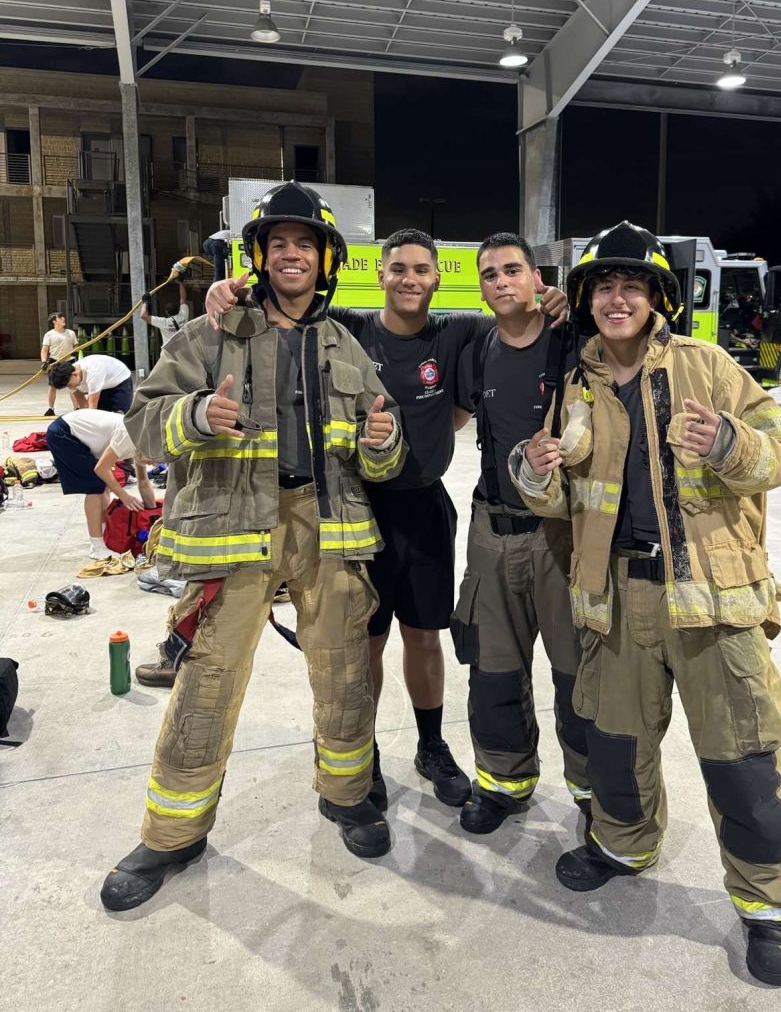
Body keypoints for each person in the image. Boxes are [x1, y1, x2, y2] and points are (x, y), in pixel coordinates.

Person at [512, 222, 781, 988]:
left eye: (632, 286)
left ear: (656, 300)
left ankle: (771, 909)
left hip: (711, 601)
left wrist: (727, 444)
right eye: (604, 286)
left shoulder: (707, 366)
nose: (617, 298)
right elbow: (553, 494)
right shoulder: (574, 382)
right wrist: (535, 467)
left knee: (741, 760)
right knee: (613, 745)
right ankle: (621, 845)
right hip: (614, 598)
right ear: (585, 299)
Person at [100, 182, 406, 914]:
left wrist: (385, 445)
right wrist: (199, 414)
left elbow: (377, 453)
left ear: (325, 258)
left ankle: (347, 794)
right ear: (260, 258)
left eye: (305, 243)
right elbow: (139, 427)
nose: (291, 254)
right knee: (208, 680)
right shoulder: (209, 336)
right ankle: (172, 834)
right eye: (278, 244)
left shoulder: (347, 347)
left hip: (327, 529)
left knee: (343, 672)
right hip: (236, 531)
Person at [204, 230, 568, 810]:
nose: (409, 279)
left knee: (425, 636)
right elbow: (280, 308)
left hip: (424, 508)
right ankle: (361, 752)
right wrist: (227, 296)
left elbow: (517, 326)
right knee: (361, 642)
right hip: (355, 511)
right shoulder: (347, 327)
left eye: (421, 270)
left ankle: (430, 746)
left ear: (437, 279)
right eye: (398, 268)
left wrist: (557, 301)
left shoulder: (458, 334)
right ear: (379, 274)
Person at [451, 232, 590, 837]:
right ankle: (504, 781)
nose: (501, 282)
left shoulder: (575, 341)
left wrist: (577, 307)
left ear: (538, 278)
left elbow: (653, 332)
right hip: (491, 529)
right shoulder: (476, 347)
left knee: (577, 675)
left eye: (513, 270)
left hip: (562, 534)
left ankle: (592, 792)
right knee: (492, 670)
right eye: (489, 274)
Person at [45, 409, 156, 558]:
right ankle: (96, 547)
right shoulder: (131, 437)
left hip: (84, 436)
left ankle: (104, 535)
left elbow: (143, 482)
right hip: (65, 433)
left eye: (155, 462)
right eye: (152, 459)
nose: (151, 463)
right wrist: (125, 496)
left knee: (103, 486)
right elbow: (100, 469)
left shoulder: (145, 447)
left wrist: (153, 515)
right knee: (95, 486)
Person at [48, 354, 133, 413]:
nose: (70, 387)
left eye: (70, 385)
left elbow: (92, 408)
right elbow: (83, 405)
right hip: (103, 385)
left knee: (118, 416)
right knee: (101, 415)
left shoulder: (93, 374)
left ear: (75, 374)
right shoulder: (68, 376)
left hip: (120, 380)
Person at [40, 312, 78, 416]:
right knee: (52, 386)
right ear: (54, 321)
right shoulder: (49, 334)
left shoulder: (71, 333)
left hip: (69, 361)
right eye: (60, 317)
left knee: (73, 386)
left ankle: (76, 408)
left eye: (63, 317)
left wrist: (75, 350)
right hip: (54, 362)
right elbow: (44, 350)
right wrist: (44, 362)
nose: (63, 318)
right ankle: (50, 409)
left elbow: (76, 346)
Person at [141, 275, 190, 346]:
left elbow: (143, 315)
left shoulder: (164, 323)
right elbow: (183, 299)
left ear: (167, 312)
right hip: (182, 349)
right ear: (178, 309)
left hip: (169, 353)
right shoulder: (183, 316)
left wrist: (145, 302)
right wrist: (180, 283)